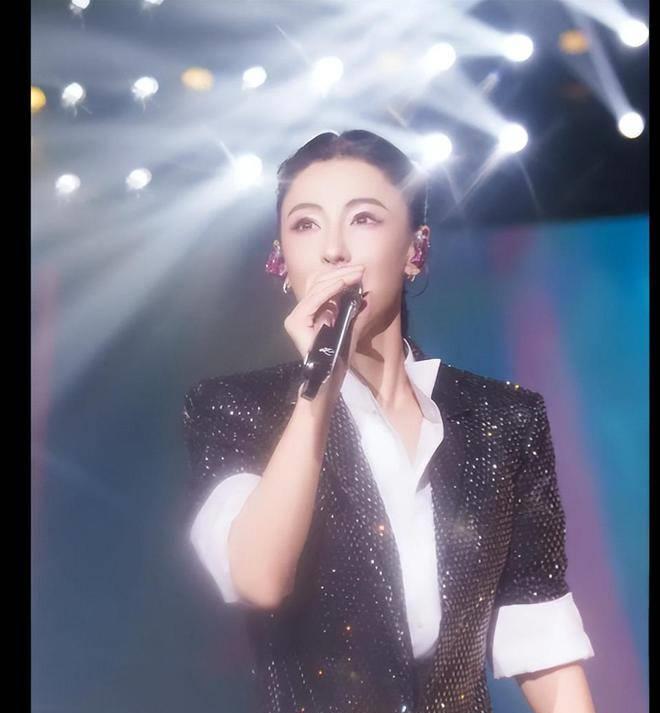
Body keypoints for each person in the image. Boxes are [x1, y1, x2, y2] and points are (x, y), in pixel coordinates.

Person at [182, 130, 596, 713]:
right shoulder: (235, 409)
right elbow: (258, 578)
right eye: (305, 225)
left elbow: (542, 644)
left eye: (364, 219)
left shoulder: (503, 420)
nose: (333, 251)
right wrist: (317, 388)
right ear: (280, 259)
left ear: (414, 249)